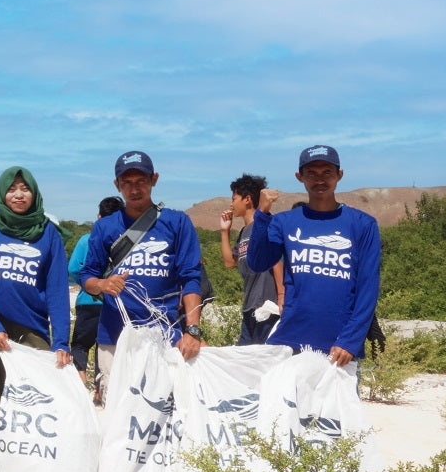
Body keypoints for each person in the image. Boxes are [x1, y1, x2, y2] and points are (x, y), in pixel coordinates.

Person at [245, 145, 381, 369]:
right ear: (300, 177)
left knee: (335, 406)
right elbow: (258, 262)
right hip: (290, 342)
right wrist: (262, 215)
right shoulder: (285, 222)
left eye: (327, 172)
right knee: (286, 404)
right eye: (312, 173)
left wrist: (350, 341)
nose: (320, 180)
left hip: (339, 347)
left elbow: (368, 288)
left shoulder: (363, 224)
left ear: (339, 175)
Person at [78, 150, 204, 382]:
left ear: (154, 180)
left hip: (166, 334)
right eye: (127, 183)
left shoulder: (177, 222)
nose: (134, 189)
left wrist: (193, 330)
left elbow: (191, 278)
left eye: (141, 181)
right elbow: (86, 277)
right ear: (117, 185)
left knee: (165, 408)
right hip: (115, 335)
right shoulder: (104, 227)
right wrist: (103, 284)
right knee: (116, 408)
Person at [0, 167, 73, 443]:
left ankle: (33, 448)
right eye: (12, 188)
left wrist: (61, 341)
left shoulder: (48, 234)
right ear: (2, 193)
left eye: (24, 188)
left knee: (38, 391)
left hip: (32, 324)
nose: (18, 194)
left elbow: (58, 290)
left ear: (34, 193)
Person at [218, 173, 285, 345]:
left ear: (247, 199)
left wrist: (282, 297)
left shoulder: (265, 224)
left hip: (268, 306)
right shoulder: (244, 232)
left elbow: (277, 261)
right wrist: (224, 231)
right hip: (250, 307)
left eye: (234, 199)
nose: (231, 204)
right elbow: (229, 263)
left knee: (264, 361)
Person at [67, 195, 123, 397]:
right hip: (116, 302)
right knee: (105, 345)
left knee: (81, 344)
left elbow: (73, 269)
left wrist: (88, 284)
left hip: (88, 301)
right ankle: (101, 390)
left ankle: (81, 384)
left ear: (99, 216)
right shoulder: (127, 238)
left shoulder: (86, 239)